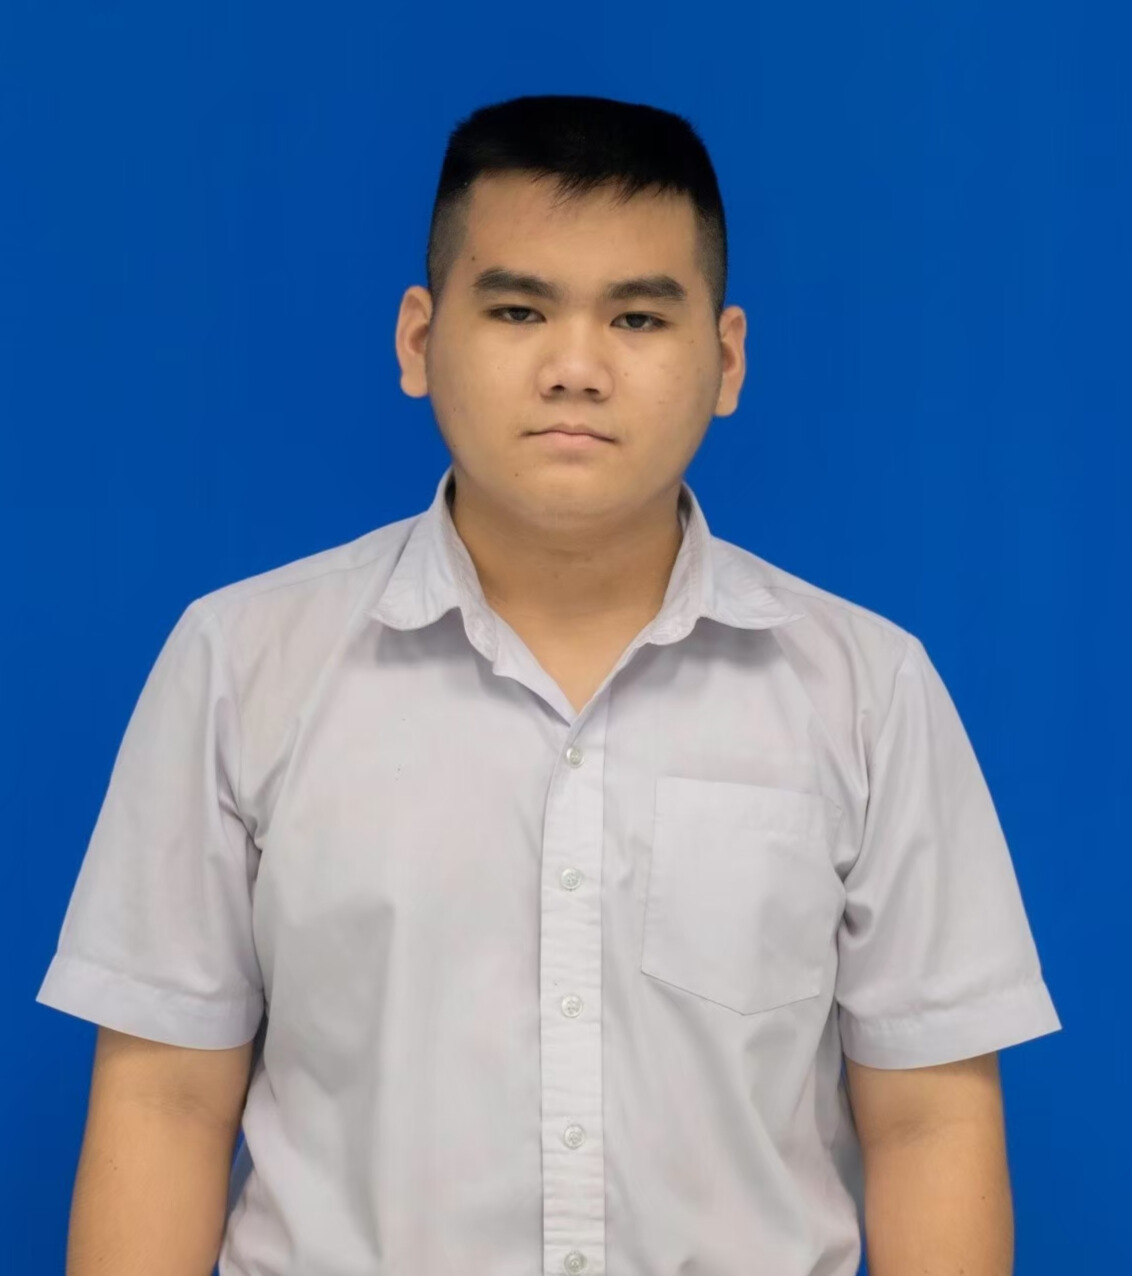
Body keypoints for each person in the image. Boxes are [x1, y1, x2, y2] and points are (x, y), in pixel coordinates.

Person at [36, 93, 1060, 1276]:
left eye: (638, 316)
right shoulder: (241, 660)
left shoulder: (866, 690)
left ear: (725, 359)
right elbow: (166, 1098)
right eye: (518, 309)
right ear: (419, 339)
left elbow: (928, 1120)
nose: (575, 368)